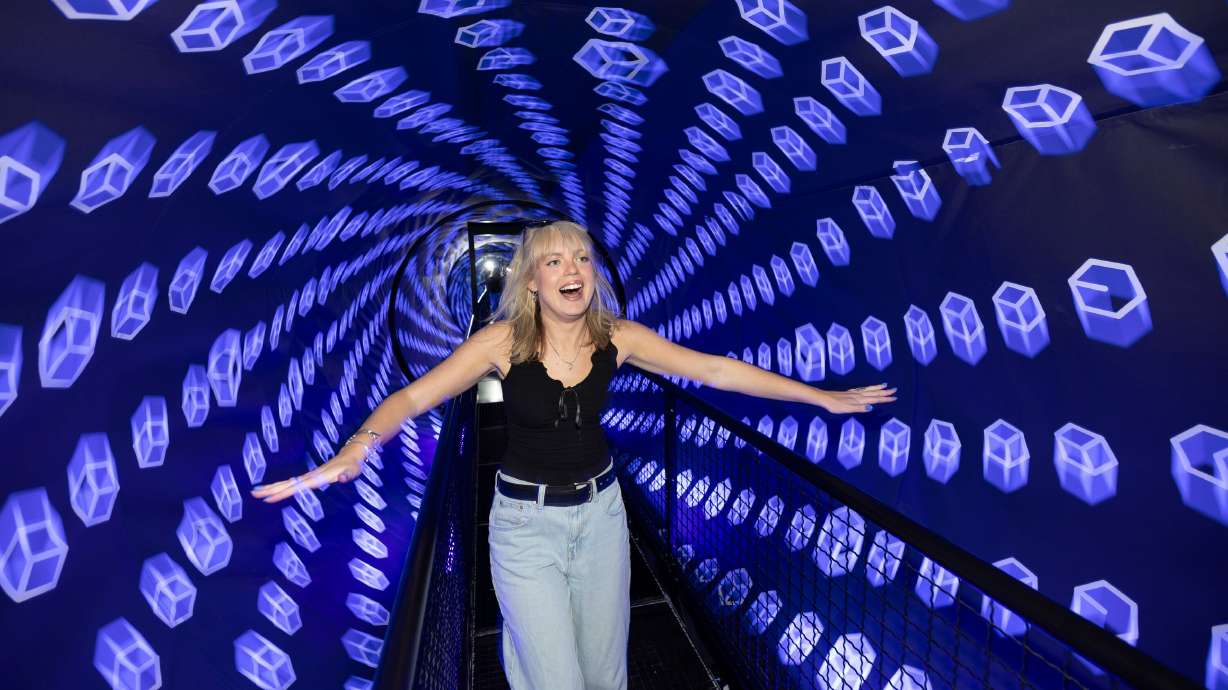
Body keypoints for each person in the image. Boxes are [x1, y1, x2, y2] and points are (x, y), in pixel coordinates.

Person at [252, 220, 896, 689]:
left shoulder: (619, 336)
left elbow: (715, 370)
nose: (573, 271)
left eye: (583, 259)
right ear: (532, 279)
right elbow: (414, 398)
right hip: (524, 527)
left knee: (604, 673)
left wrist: (819, 396)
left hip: (602, 517)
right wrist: (358, 446)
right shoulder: (501, 342)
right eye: (556, 261)